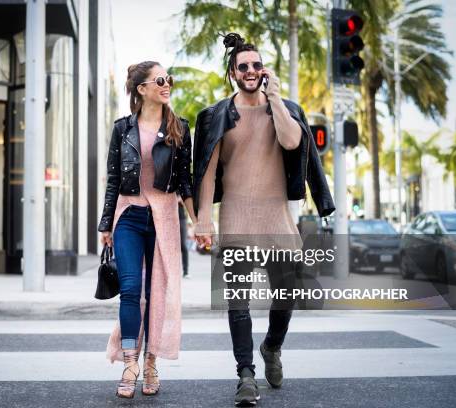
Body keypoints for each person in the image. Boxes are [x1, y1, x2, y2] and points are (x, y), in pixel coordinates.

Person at [192, 33, 335, 406]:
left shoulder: (285, 109)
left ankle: (272, 346)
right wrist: (203, 218)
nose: (251, 71)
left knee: (287, 295)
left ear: (263, 70)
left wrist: (274, 97)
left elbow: (292, 142)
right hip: (237, 218)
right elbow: (206, 172)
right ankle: (245, 375)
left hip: (277, 220)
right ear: (232, 72)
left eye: (257, 65)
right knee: (238, 301)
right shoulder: (216, 116)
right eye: (244, 67)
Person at [97, 61, 196, 399]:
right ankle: (130, 362)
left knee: (157, 295)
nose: (167, 84)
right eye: (159, 79)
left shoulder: (179, 128)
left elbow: (185, 183)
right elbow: (113, 180)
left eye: (168, 78)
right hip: (129, 216)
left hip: (164, 219)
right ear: (142, 89)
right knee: (129, 290)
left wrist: (198, 222)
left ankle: (152, 361)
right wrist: (105, 224)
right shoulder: (122, 128)